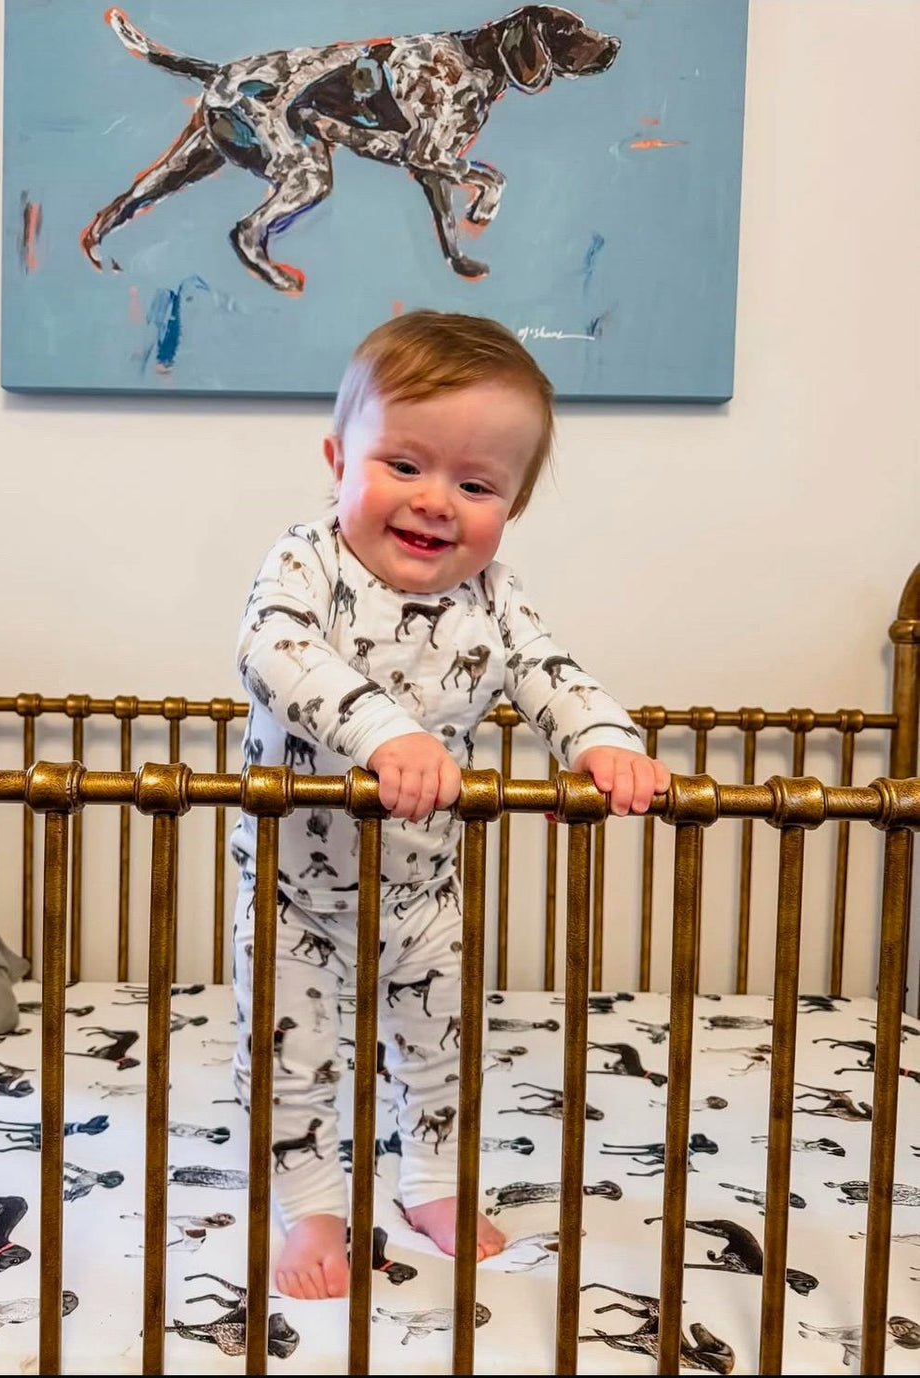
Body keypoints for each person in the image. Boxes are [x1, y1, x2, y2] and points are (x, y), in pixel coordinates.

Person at [231, 310, 671, 1301]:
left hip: (423, 886)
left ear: (510, 505)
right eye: (403, 465)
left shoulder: (495, 600)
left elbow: (554, 676)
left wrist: (604, 743)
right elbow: (271, 650)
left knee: (440, 1047)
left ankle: (431, 1182)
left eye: (475, 485)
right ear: (338, 459)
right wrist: (388, 735)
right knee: (290, 1052)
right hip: (290, 891)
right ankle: (310, 1202)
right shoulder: (306, 563)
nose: (435, 501)